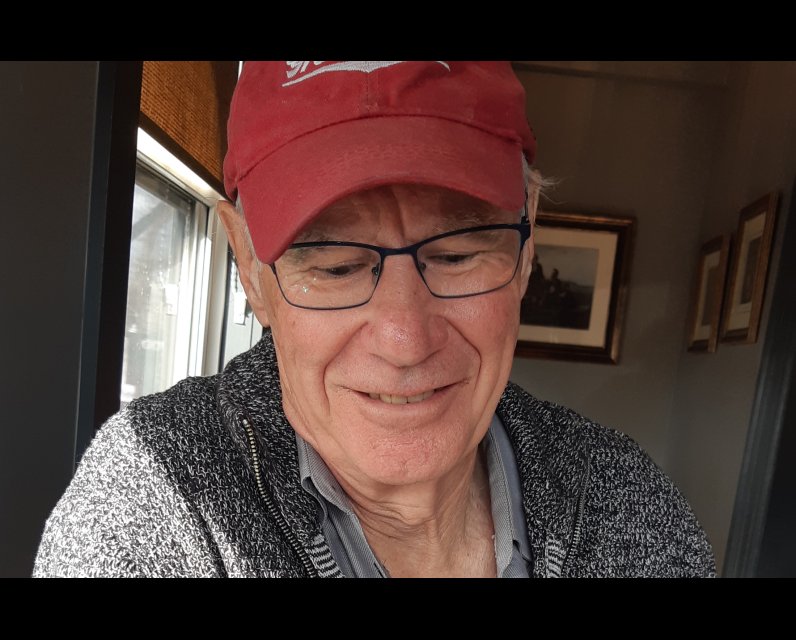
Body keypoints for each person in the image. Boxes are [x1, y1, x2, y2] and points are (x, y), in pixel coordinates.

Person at [33, 61, 716, 578]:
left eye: (456, 253)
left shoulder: (625, 495)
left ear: (528, 244)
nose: (405, 338)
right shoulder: (158, 500)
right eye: (332, 264)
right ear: (248, 265)